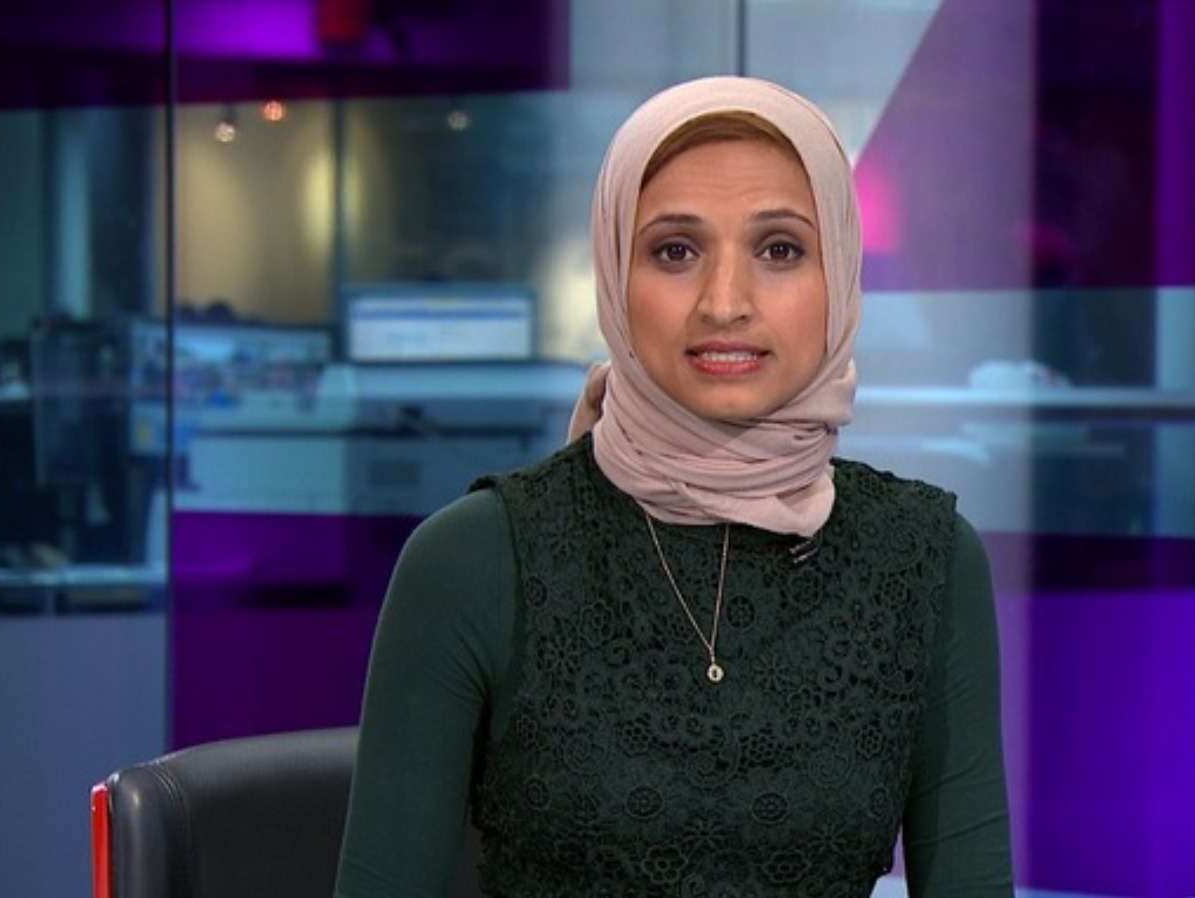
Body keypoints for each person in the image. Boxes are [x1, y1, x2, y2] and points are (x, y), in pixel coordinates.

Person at [334, 75, 1013, 897]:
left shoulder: (924, 558)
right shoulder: (474, 558)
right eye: (675, 252)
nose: (725, 303)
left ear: (839, 277)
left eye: (780, 250)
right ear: (615, 278)